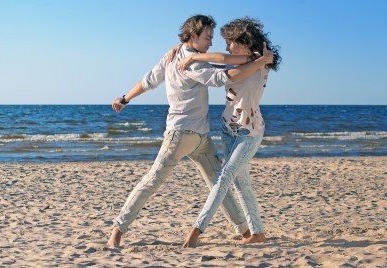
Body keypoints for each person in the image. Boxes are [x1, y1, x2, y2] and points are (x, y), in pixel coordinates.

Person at [107, 15, 274, 248]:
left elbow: (148, 81)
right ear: (193, 35)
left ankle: (245, 230)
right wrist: (259, 61)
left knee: (220, 181)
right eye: (207, 37)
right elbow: (220, 78)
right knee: (153, 181)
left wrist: (125, 98)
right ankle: (118, 230)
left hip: (201, 137)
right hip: (180, 134)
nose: (210, 42)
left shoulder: (174, 55)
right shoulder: (191, 62)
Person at [179, 17, 281, 248]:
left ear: (243, 41)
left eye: (230, 42)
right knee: (240, 183)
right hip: (227, 128)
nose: (226, 47)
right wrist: (189, 53)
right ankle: (258, 233)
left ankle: (197, 230)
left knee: (224, 177)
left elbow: (225, 62)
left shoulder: (259, 61)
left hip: (250, 132)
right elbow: (220, 59)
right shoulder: (236, 62)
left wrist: (194, 55)